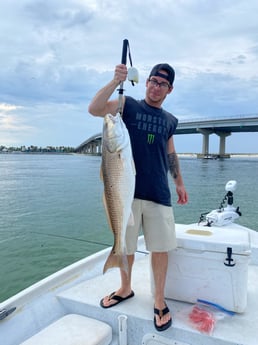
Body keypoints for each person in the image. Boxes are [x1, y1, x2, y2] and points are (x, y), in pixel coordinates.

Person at [88, 63, 188, 332]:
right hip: (126, 192)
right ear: (146, 83)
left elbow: (170, 154)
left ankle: (158, 300)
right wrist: (114, 80)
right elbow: (95, 109)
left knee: (160, 248)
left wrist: (179, 182)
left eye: (162, 84)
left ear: (170, 89)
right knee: (126, 245)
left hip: (159, 192)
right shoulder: (127, 105)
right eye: (153, 81)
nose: (156, 87)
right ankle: (125, 288)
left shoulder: (170, 120)